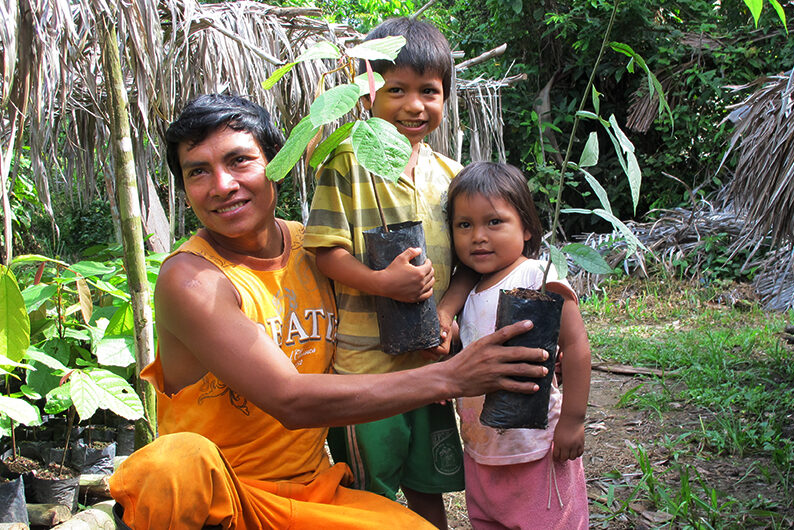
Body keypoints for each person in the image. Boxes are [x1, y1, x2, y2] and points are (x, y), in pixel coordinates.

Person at [108, 94, 551, 530]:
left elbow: (473, 269)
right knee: (174, 462)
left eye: (239, 161)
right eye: (198, 172)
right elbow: (289, 399)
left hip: (308, 494)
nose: (222, 185)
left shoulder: (318, 251)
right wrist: (453, 377)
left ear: (276, 165)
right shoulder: (191, 280)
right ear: (185, 190)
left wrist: (528, 347)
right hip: (221, 501)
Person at [303, 17, 474, 528]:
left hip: (430, 367)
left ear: (445, 98)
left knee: (428, 487)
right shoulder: (346, 163)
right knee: (369, 497)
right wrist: (382, 284)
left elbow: (468, 265)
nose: (414, 105)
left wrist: (445, 313)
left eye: (429, 91)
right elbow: (324, 251)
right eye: (396, 89)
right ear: (366, 96)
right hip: (364, 371)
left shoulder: (451, 176)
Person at [447, 162, 591, 529]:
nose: (478, 236)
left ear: (526, 227)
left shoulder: (535, 276)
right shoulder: (468, 292)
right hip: (482, 449)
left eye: (494, 222)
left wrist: (573, 421)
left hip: (538, 448)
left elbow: (575, 347)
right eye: (465, 225)